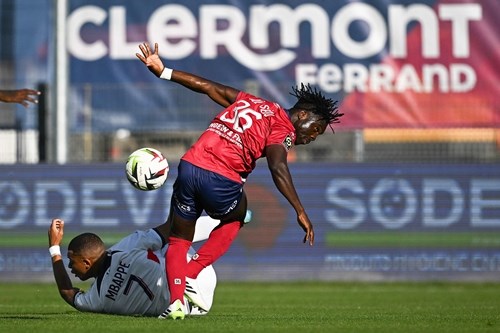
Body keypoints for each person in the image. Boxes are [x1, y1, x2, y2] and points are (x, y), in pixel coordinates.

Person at [136, 42, 344, 320]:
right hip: (220, 177)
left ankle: (175, 304)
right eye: (314, 130)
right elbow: (278, 166)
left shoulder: (255, 102)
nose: (310, 137)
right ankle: (190, 274)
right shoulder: (283, 128)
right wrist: (300, 210)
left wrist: (164, 72)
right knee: (238, 216)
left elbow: (210, 87)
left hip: (189, 166)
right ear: (302, 114)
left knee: (178, 239)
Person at [47, 215, 221, 318]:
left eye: (71, 261)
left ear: (86, 262)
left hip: (197, 308)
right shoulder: (125, 247)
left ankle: (225, 221)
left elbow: (67, 292)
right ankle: (225, 221)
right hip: (201, 275)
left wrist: (54, 249)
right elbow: (170, 228)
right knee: (173, 237)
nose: (70, 267)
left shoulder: (96, 300)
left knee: (168, 242)